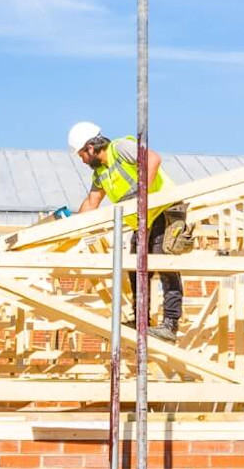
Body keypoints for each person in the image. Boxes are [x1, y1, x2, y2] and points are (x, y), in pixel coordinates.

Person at [68, 121, 192, 342]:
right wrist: (71, 226)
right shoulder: (100, 173)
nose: (82, 160)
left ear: (90, 148)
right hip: (143, 221)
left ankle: (170, 325)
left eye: (81, 155)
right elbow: (92, 201)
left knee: (164, 264)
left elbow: (153, 159)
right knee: (136, 268)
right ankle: (141, 320)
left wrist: (141, 194)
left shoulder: (120, 148)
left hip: (164, 209)